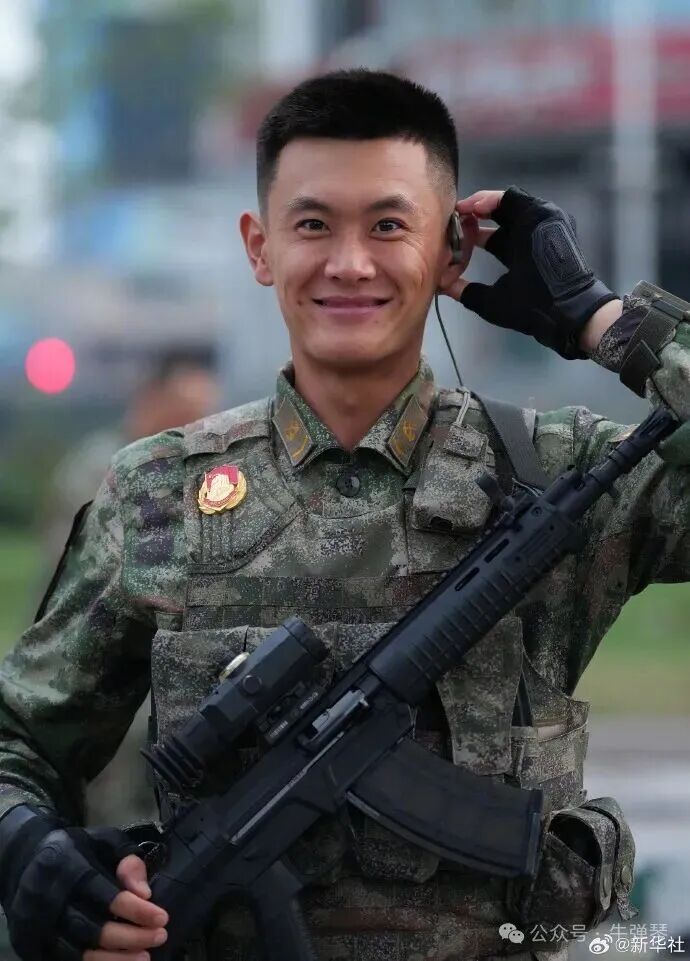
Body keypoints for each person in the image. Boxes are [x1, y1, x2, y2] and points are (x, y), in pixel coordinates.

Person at [0, 69, 687, 961]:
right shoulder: (157, 495)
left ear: (451, 250)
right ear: (260, 247)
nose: (351, 263)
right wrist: (26, 846)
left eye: (389, 225)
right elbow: (19, 739)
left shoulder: (560, 474)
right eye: (314, 225)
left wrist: (603, 319)